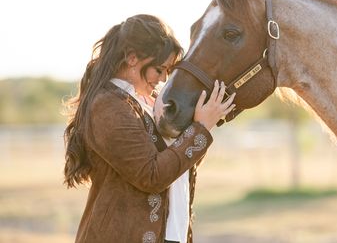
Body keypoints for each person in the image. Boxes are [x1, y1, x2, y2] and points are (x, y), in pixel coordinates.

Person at [63, 14, 235, 243]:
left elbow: (179, 166)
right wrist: (201, 128)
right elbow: (151, 176)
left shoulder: (149, 102)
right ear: (132, 58)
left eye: (168, 71)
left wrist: (195, 128)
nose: (164, 78)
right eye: (159, 69)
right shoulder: (108, 107)